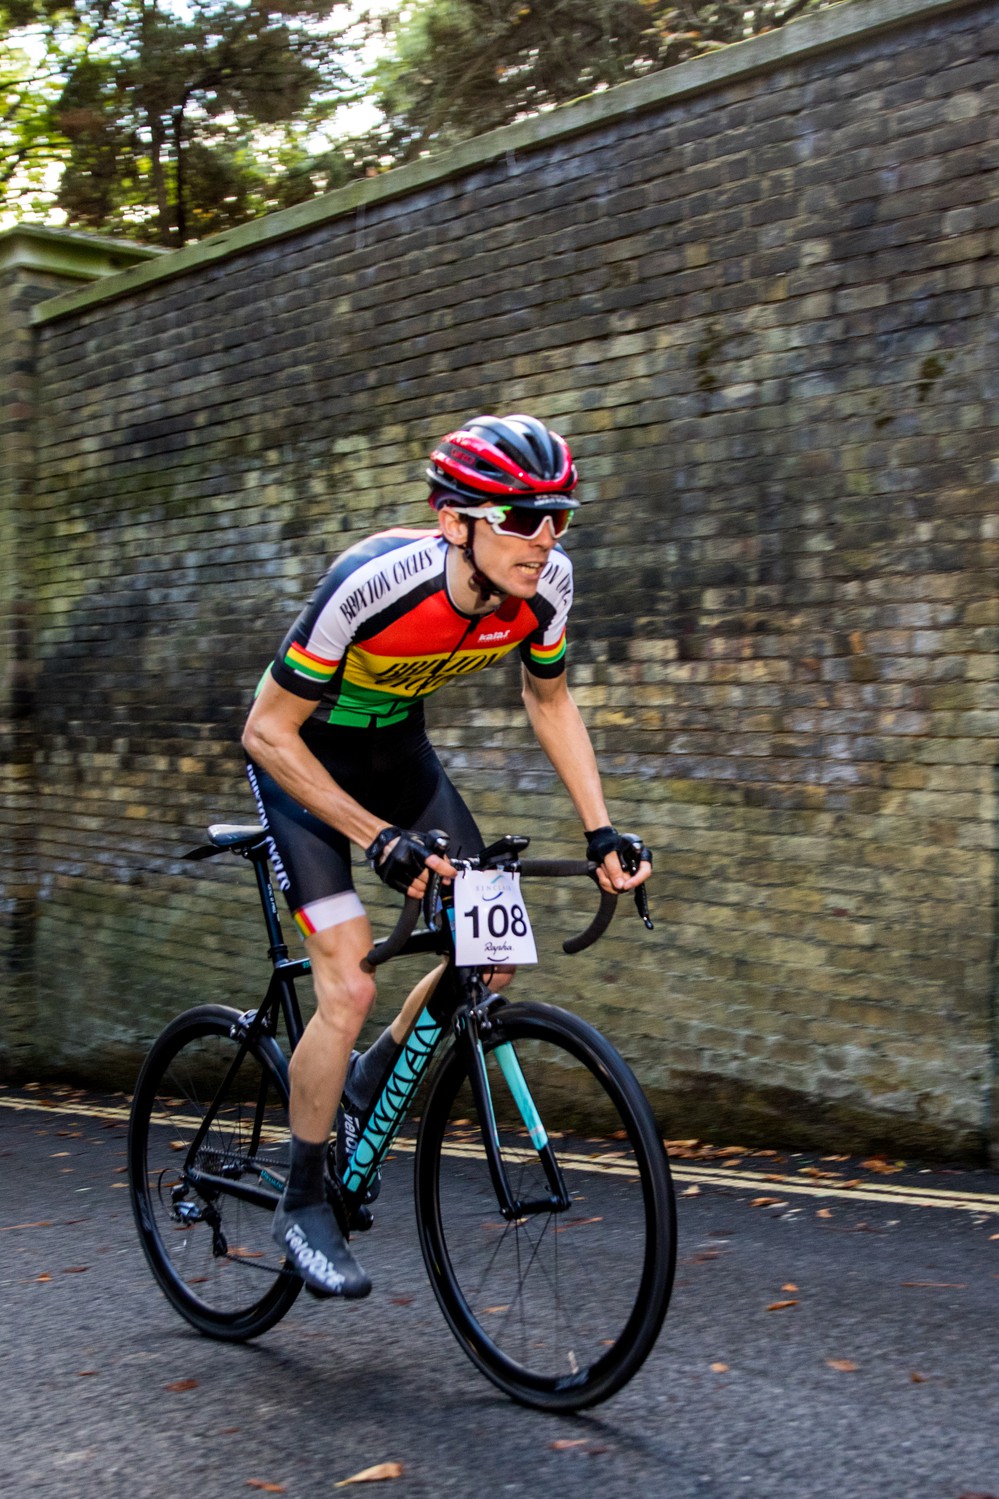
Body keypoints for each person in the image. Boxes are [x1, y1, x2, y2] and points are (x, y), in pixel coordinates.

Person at [242, 413, 652, 1298]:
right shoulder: (374, 582)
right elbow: (266, 732)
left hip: (401, 760)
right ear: (454, 521)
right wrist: (374, 838)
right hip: (304, 771)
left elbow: (549, 700)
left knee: (492, 956)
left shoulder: (546, 589)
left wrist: (600, 828)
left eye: (557, 517)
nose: (541, 540)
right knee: (348, 983)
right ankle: (304, 1200)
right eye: (518, 516)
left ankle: (368, 1082)